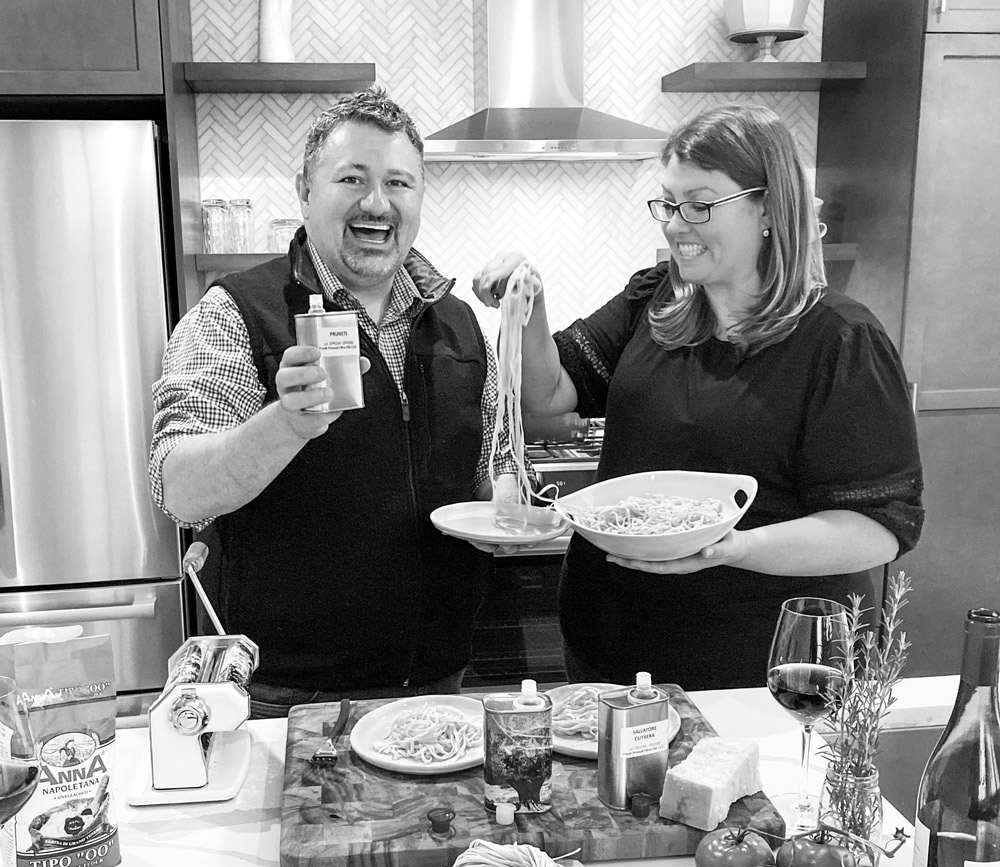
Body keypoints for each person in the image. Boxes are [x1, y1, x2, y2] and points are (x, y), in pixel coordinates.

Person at [473, 102, 923, 691]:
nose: (675, 224)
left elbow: (876, 528)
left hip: (758, 669)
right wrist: (524, 303)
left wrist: (733, 547)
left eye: (700, 204)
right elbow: (551, 399)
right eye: (668, 203)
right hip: (611, 652)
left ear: (768, 206)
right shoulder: (656, 301)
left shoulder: (841, 340)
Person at [150, 87, 520, 717]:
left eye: (399, 183)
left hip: (437, 686)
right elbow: (178, 489)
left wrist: (509, 504)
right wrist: (285, 425)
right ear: (305, 190)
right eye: (353, 178)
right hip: (285, 698)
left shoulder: (458, 325)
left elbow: (496, 471)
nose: (377, 202)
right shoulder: (238, 312)